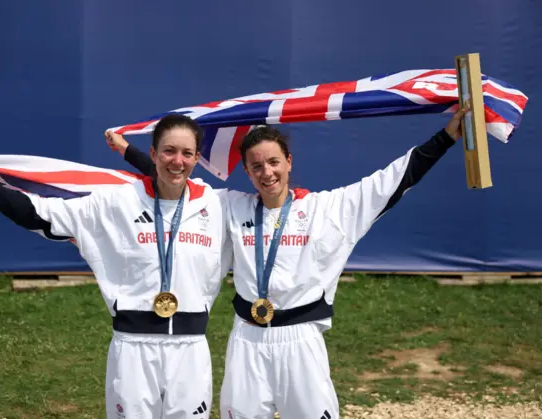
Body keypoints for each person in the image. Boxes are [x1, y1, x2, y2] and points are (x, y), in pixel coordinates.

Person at [108, 106, 470, 419]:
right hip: (246, 341)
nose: (267, 173)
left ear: (289, 163)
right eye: (256, 166)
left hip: (301, 342)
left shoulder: (326, 210)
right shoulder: (231, 207)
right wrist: (129, 151)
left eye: (273, 162)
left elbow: (390, 182)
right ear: (247, 173)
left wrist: (446, 137)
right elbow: (176, 179)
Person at [0, 114, 231, 419]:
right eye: (168, 151)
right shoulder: (115, 203)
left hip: (190, 351)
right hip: (133, 350)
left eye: (187, 153)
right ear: (153, 154)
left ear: (196, 158)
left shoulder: (216, 205)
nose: (177, 160)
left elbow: (272, 202)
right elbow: (40, 214)